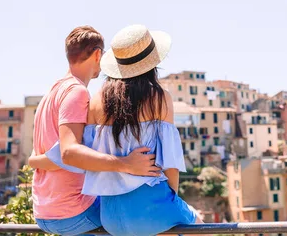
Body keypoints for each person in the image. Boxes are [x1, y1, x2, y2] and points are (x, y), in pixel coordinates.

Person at [32, 24, 203, 236]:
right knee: (199, 225)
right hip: (150, 207)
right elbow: (171, 163)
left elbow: (77, 153)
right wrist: (170, 200)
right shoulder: (160, 98)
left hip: (109, 215)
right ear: (152, 62)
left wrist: (34, 161)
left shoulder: (95, 102)